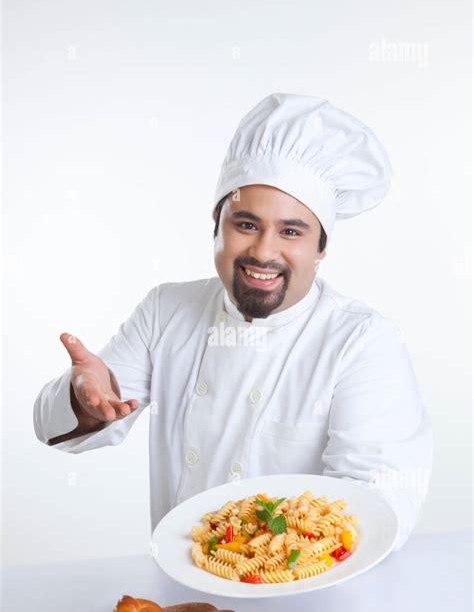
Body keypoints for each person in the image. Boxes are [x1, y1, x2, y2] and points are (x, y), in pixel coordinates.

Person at [33, 93, 433, 551]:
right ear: (216, 226)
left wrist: (263, 559)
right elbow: (56, 425)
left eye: (290, 231)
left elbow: (376, 500)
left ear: (321, 248)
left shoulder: (362, 342)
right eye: (246, 224)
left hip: (311, 603)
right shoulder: (168, 310)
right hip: (185, 598)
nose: (263, 251)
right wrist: (84, 402)